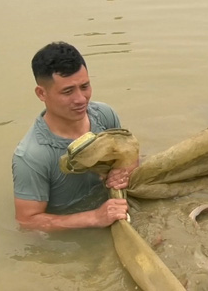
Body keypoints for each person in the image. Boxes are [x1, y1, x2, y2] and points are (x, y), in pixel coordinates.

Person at [13, 42, 134, 232]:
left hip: (113, 210)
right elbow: (27, 222)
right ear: (41, 93)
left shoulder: (104, 115)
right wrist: (94, 217)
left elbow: (129, 157)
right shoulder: (31, 156)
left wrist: (124, 173)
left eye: (84, 86)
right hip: (77, 227)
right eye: (67, 92)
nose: (80, 99)